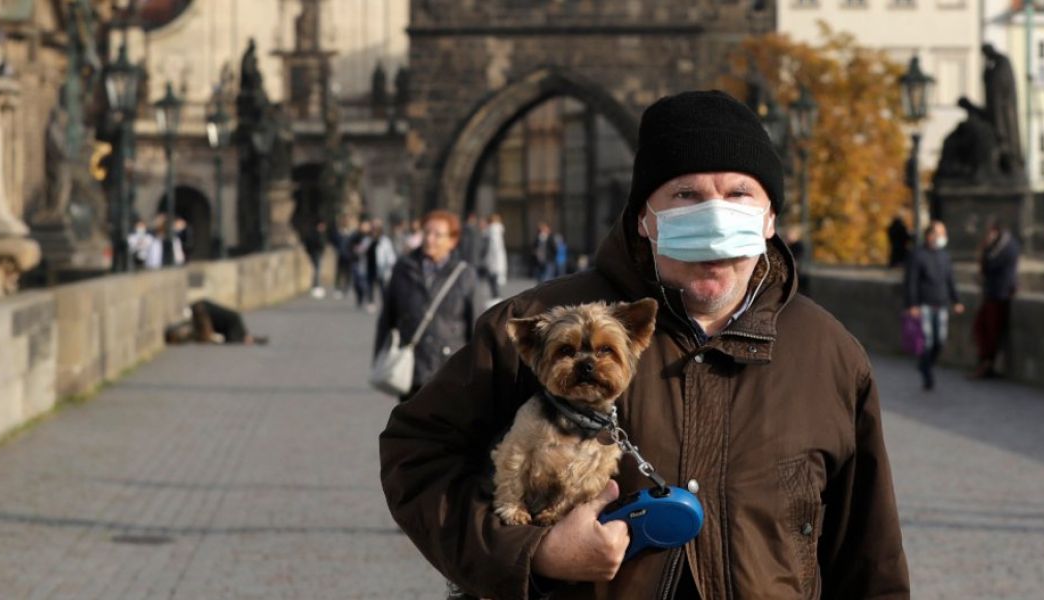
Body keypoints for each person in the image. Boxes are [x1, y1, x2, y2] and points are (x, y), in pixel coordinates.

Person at [380, 91, 908, 599]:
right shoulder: (533, 327)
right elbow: (417, 453)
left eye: (739, 193)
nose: (715, 215)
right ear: (643, 219)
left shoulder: (829, 353)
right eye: (686, 194)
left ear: (770, 218)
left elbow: (869, 556)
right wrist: (533, 552)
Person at [374, 210, 483, 404]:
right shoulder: (403, 269)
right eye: (426, 233)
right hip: (412, 368)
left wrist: (479, 372)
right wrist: (381, 360)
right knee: (412, 430)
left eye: (437, 235)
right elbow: (387, 319)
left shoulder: (465, 275)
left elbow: (477, 327)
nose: (430, 239)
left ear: (452, 240)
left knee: (447, 431)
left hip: (450, 370)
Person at [905, 220, 965, 391]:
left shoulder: (944, 255)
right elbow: (911, 282)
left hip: (941, 303)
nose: (942, 237)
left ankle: (925, 364)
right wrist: (912, 304)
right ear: (930, 235)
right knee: (927, 341)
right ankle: (927, 374)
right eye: (939, 234)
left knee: (940, 341)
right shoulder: (918, 255)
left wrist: (957, 300)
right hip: (924, 304)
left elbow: (950, 280)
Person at [972, 217, 1019, 378]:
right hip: (992, 293)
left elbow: (990, 266)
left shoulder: (1007, 247)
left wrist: (985, 251)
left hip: (1000, 294)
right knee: (981, 328)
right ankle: (985, 362)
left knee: (991, 332)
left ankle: (988, 364)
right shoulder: (997, 247)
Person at [482, 213, 508, 301]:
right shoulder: (495, 230)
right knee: (494, 280)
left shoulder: (492, 230)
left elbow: (493, 247)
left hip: (493, 259)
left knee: (493, 280)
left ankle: (496, 298)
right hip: (496, 259)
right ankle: (496, 297)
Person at [302, 220, 329, 298]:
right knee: (317, 269)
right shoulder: (315, 234)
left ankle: (316, 285)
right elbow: (313, 244)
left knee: (317, 269)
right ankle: (316, 286)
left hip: (318, 253)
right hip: (315, 253)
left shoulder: (321, 234)